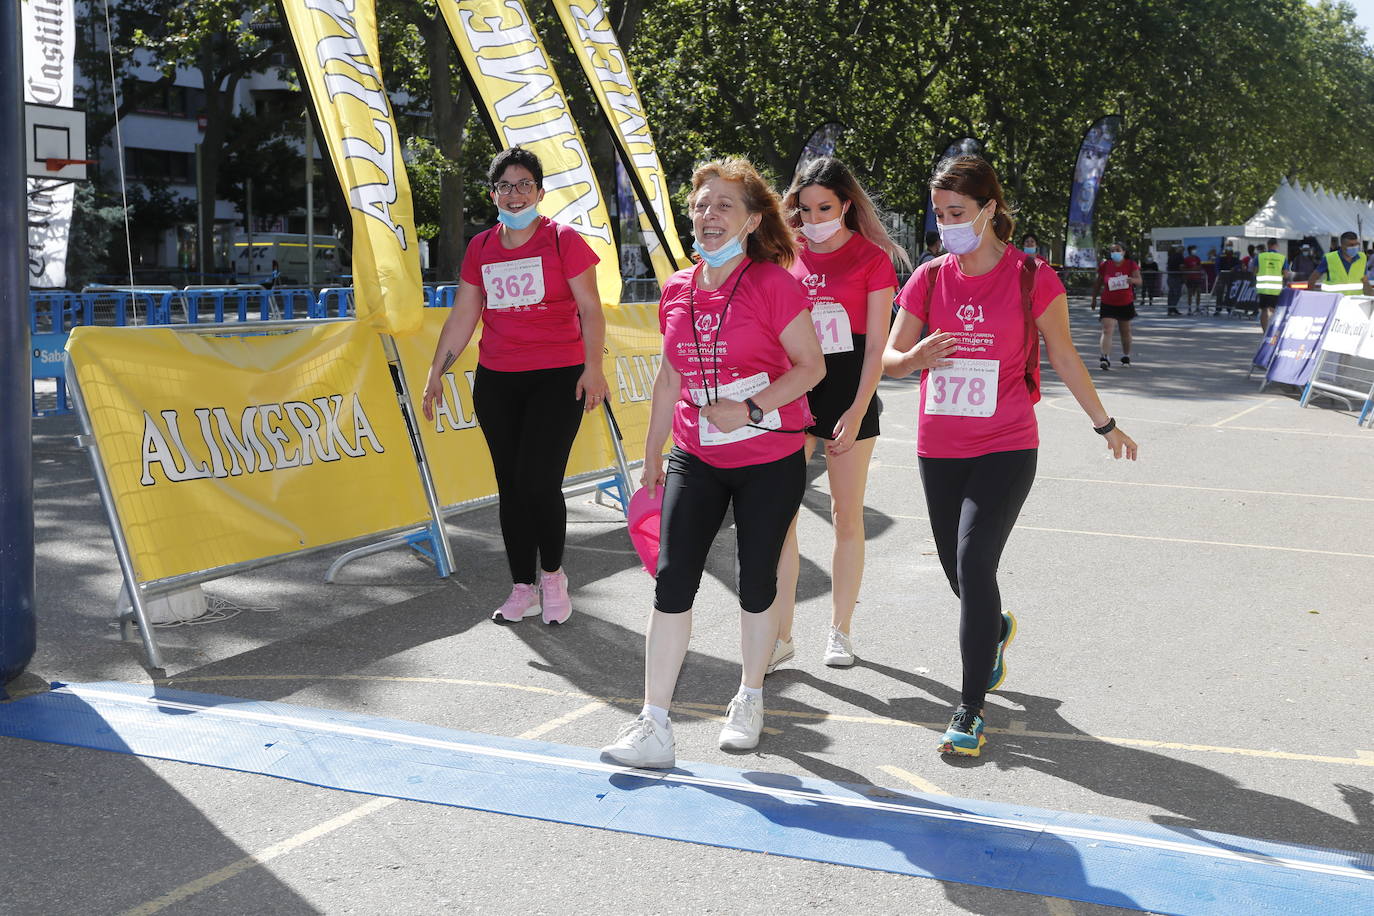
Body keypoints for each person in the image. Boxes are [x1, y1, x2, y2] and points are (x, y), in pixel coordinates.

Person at [883, 155, 1138, 758]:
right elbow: (889, 361)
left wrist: (1104, 423)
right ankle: (994, 630)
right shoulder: (928, 278)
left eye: (958, 213)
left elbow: (1066, 357)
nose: (947, 225)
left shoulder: (1031, 277)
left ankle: (970, 707)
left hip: (1006, 443)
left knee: (973, 565)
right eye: (940, 215)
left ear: (990, 209)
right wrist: (916, 356)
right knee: (959, 574)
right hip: (938, 446)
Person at [600, 157, 825, 768]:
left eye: (724, 205)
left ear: (752, 221)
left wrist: (751, 408)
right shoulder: (675, 288)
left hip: (768, 455)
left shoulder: (776, 285)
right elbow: (671, 375)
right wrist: (651, 458)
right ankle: (653, 724)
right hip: (694, 455)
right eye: (701, 205)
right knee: (673, 580)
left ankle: (749, 697)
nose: (709, 215)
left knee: (757, 581)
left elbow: (812, 367)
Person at [421, 147, 608, 626]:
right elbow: (464, 315)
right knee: (510, 486)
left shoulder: (564, 240)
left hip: (558, 376)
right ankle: (522, 585)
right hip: (498, 381)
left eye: (525, 184)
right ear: (493, 194)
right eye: (505, 185)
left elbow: (590, 308)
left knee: (537, 480)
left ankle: (553, 576)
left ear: (541, 192)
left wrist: (593, 368)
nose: (516, 192)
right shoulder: (481, 247)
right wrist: (436, 372)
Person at [766, 156, 906, 673]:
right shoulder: (786, 252)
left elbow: (877, 348)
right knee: (780, 517)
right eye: (803, 209)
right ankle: (780, 635)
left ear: (846, 204)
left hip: (849, 392)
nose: (813, 218)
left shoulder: (873, 258)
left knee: (847, 516)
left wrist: (859, 406)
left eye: (824, 207)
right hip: (795, 391)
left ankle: (840, 631)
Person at [1090, 242, 1141, 369]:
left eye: (1117, 250)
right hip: (1108, 302)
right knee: (1107, 329)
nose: (1115, 253)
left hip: (1125, 302)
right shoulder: (1106, 265)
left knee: (1125, 331)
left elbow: (1139, 280)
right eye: (1112, 251)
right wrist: (1094, 298)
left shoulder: (1130, 264)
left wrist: (1132, 280)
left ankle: (1126, 355)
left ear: (1123, 252)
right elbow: (1099, 282)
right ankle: (1105, 357)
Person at [1309, 231, 1367, 297]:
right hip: (1334, 302)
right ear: (1342, 245)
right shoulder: (1329, 258)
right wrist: (1311, 298)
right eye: (1350, 245)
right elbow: (1312, 279)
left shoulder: (1362, 257)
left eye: (1356, 244)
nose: (1354, 247)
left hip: (1355, 302)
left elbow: (1365, 280)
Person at [1253, 238, 1291, 332]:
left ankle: (1265, 332)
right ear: (1276, 245)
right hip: (1275, 289)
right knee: (1274, 310)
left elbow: (1255, 271)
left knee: (1264, 310)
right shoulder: (1282, 258)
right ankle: (1273, 331)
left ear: (1268, 245)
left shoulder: (1260, 257)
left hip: (1263, 288)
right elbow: (1286, 274)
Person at [1182, 245, 1204, 313]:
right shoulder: (1186, 259)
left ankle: (1197, 307)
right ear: (1190, 251)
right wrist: (1191, 270)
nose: (1195, 251)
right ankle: (1189, 308)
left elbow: (1200, 266)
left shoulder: (1197, 258)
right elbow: (1184, 269)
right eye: (1193, 250)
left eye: (1195, 249)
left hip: (1197, 278)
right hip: (1190, 279)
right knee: (1190, 294)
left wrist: (1198, 268)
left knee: (1198, 293)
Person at [1165, 243, 1184, 315]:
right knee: (1177, 293)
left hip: (1170, 277)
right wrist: (1183, 276)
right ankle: (1173, 307)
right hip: (1177, 277)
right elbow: (1181, 267)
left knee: (1171, 293)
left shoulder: (1170, 256)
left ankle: (1170, 308)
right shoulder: (1180, 256)